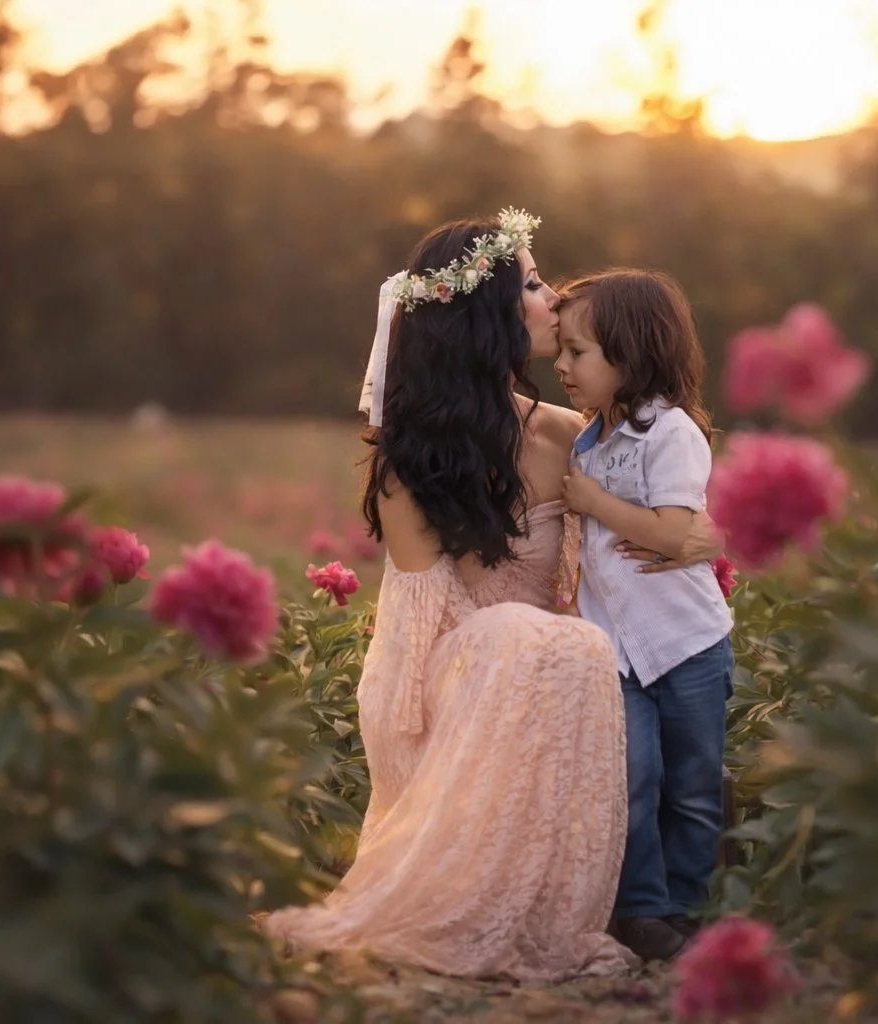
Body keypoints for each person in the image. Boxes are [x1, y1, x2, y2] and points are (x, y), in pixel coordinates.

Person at [262, 210, 639, 981]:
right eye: (533, 283)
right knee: (535, 640)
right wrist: (517, 650)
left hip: (552, 665)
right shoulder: (409, 461)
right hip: (448, 672)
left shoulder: (571, 435)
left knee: (572, 645)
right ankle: (451, 902)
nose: (554, 296)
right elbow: (420, 619)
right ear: (483, 315)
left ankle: (552, 908)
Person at [553, 269, 736, 962]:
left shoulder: (670, 433)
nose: (563, 366)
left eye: (579, 353)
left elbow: (670, 531)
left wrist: (593, 501)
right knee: (631, 778)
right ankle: (641, 909)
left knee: (693, 784)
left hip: (687, 643)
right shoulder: (585, 440)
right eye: (561, 351)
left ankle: (691, 906)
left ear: (629, 356)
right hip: (616, 650)